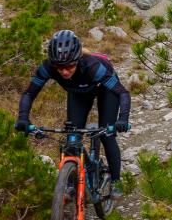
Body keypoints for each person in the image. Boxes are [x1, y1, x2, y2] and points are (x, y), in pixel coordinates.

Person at [15, 29, 130, 194]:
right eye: (59, 67)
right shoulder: (48, 67)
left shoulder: (92, 67)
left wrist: (122, 119)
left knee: (107, 135)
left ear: (77, 59)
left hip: (105, 90)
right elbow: (28, 94)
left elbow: (123, 93)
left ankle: (116, 182)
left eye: (69, 66)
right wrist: (23, 118)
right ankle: (69, 184)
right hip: (78, 92)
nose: (64, 71)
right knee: (72, 138)